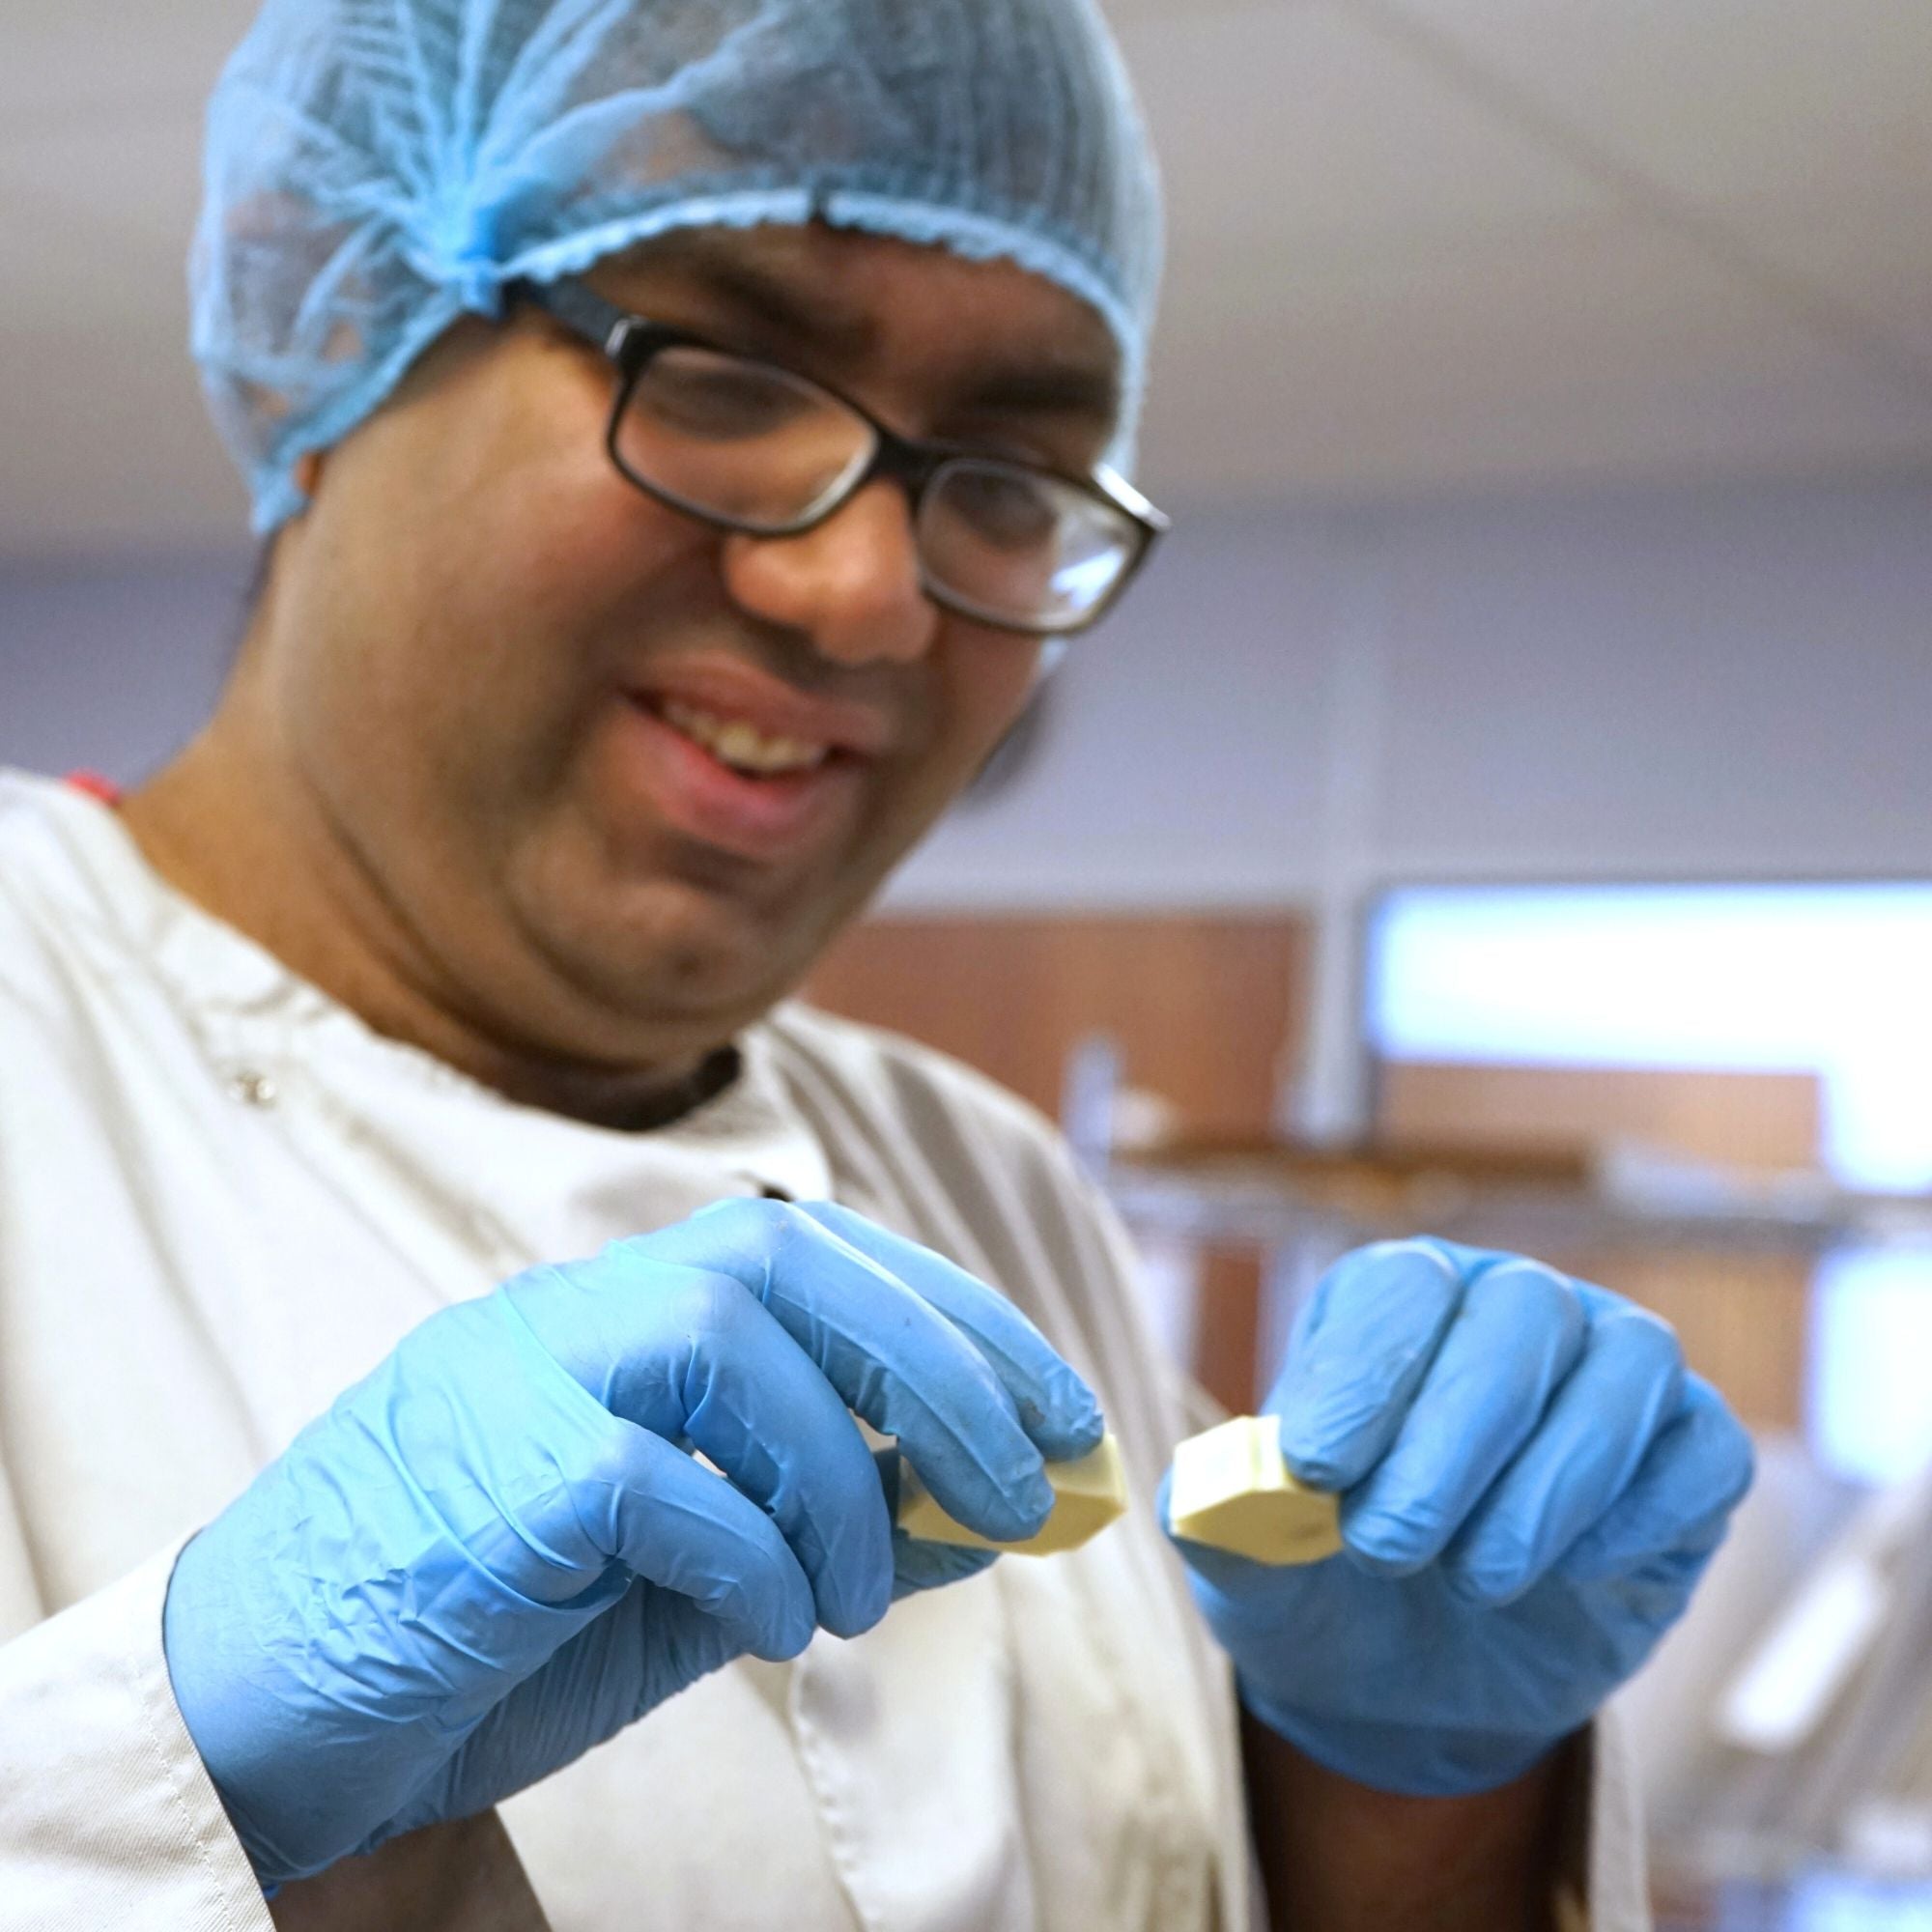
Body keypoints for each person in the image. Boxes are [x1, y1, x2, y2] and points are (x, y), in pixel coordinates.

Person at [0, 1, 1752, 1925]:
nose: (865, 593)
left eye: (1002, 479)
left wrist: (1400, 1786)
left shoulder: (984, 1183)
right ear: (341, 330)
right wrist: (145, 1776)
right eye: (723, 377)